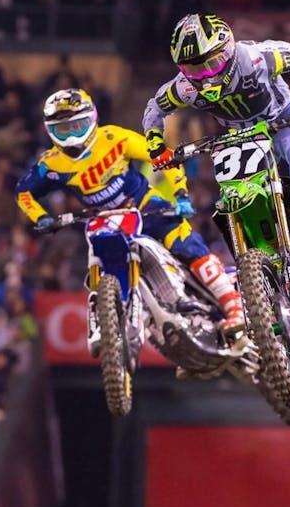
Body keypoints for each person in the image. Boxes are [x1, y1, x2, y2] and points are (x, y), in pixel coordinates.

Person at [143, 14, 290, 292]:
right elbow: (155, 108)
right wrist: (155, 145)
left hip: (287, 123)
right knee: (235, 197)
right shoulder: (184, 88)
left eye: (212, 63)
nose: (206, 76)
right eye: (194, 69)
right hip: (241, 138)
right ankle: (270, 265)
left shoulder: (256, 58)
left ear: (228, 49)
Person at [15, 88, 245, 354]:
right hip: (103, 221)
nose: (72, 135)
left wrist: (181, 194)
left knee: (186, 245)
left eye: (77, 125)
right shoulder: (51, 164)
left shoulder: (115, 138)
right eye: (63, 129)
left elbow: (162, 157)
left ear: (92, 118)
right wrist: (41, 217)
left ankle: (233, 305)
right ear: (50, 130)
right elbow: (23, 192)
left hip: (146, 208)